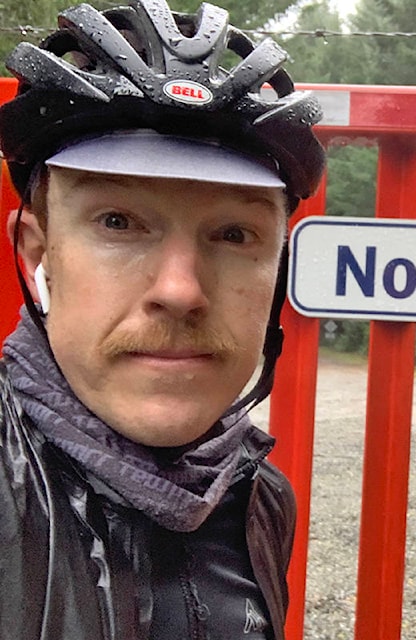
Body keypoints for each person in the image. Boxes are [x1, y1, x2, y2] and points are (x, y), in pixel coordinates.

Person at [0, 1, 324, 638]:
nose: (180, 290)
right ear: (40, 257)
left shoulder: (259, 500)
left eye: (234, 233)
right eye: (118, 222)